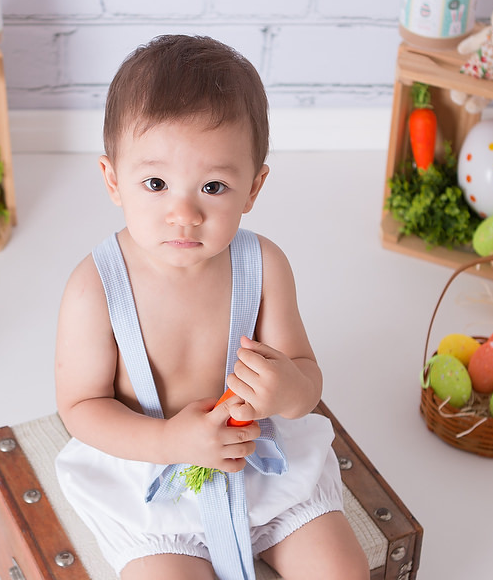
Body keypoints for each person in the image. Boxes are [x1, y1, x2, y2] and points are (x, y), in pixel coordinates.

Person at [54, 34, 369, 580]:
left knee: (342, 570)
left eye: (214, 186)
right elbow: (81, 407)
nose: (184, 213)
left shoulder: (263, 264)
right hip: (151, 475)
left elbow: (306, 374)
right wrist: (168, 440)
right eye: (155, 183)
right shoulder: (95, 287)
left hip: (262, 462)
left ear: (253, 188)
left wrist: (288, 389)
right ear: (112, 179)